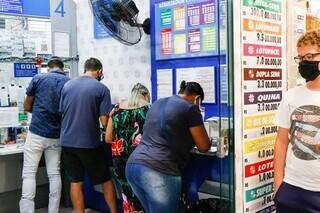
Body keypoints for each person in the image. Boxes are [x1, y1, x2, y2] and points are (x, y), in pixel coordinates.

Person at [125, 81, 212, 213]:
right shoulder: (190, 108)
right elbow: (204, 146)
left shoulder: (157, 103)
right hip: (159, 170)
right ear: (197, 98)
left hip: (133, 167)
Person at [59, 58, 117, 213]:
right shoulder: (101, 88)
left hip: (67, 142)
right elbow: (104, 121)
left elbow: (62, 112)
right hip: (88, 143)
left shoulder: (67, 85)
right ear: (99, 71)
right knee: (105, 179)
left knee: (76, 181)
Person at [274, 30, 320, 213]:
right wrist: (278, 185)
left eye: (310, 56)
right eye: (300, 58)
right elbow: (281, 141)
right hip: (292, 188)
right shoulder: (291, 96)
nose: (304, 62)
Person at [20, 57, 69, 213]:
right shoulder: (69, 83)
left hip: (37, 132)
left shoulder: (38, 78)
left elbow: (27, 106)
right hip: (57, 134)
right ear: (62, 69)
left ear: (48, 68)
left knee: (29, 173)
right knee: (54, 174)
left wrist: (41, 111)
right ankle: (53, 210)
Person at [105, 83, 150, 213]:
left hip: (120, 161)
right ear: (145, 95)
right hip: (142, 160)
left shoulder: (116, 110)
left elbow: (108, 138)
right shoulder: (149, 109)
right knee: (143, 195)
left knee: (127, 196)